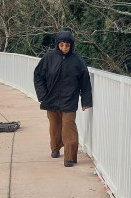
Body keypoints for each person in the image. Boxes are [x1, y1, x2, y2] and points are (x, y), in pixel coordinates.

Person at [33, 30, 93, 167]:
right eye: (62, 45)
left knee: (69, 127)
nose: (65, 48)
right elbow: (38, 76)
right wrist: (42, 95)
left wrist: (86, 101)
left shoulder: (78, 60)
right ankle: (55, 148)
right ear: (57, 44)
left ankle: (69, 158)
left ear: (72, 45)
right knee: (55, 127)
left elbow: (85, 81)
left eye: (67, 45)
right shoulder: (49, 57)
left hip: (69, 100)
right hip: (51, 99)